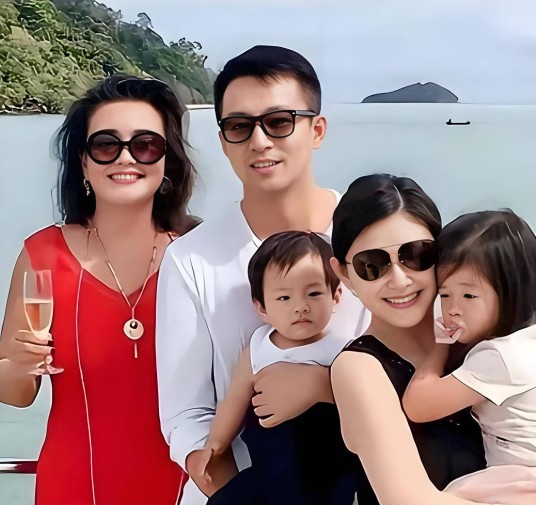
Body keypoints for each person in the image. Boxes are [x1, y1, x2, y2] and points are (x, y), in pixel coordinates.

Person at [156, 45, 368, 504]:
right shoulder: (191, 259)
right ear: (223, 141)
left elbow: (416, 368)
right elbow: (186, 416)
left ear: (317, 130)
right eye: (239, 126)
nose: (259, 141)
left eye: (279, 121)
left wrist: (325, 387)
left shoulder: (370, 240)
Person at [0, 75, 198, 505]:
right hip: (73, 488)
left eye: (145, 145)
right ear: (84, 163)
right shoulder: (43, 254)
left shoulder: (200, 254)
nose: (125, 157)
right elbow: (15, 393)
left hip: (188, 490)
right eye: (106, 145)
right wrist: (20, 365)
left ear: (167, 161)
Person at [402, 209, 536, 504]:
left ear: (510, 292)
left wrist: (440, 344)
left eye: (469, 296)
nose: (452, 309)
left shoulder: (502, 357)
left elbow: (418, 405)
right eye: (444, 295)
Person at [329, 174, 487, 505]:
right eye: (372, 265)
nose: (399, 280)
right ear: (344, 274)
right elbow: (408, 499)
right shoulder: (359, 370)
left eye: (415, 255)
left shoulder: (479, 337)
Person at [199, 231, 358, 504]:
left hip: (325, 475)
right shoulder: (258, 347)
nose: (301, 307)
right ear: (261, 307)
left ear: (335, 296)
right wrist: (216, 444)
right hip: (268, 469)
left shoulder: (345, 351)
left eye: (314, 293)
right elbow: (234, 400)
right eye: (284, 298)